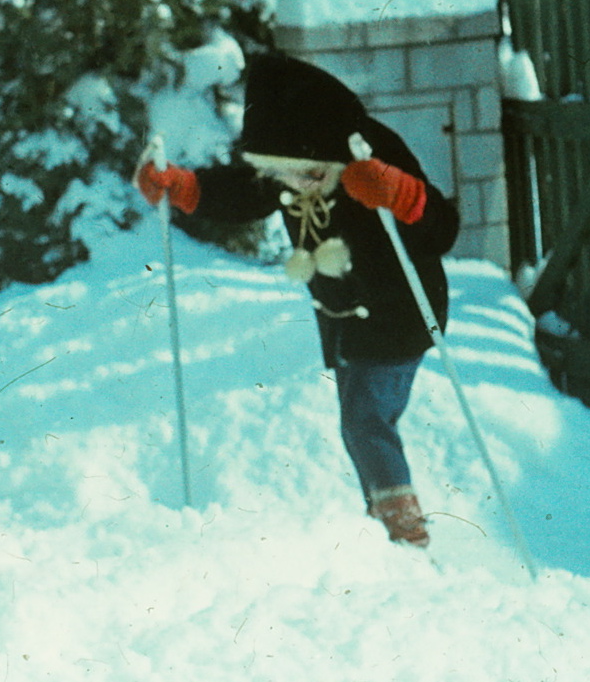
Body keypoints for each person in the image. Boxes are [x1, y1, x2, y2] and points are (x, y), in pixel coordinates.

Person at [135, 50, 459, 547]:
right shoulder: (292, 163)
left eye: (308, 176)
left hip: (400, 313)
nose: (295, 186)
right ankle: (385, 518)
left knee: (365, 421)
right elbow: (246, 194)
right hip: (343, 318)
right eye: (282, 176)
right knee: (359, 423)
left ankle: (404, 529)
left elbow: (442, 228)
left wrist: (402, 193)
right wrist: (186, 188)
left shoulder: (368, 153)